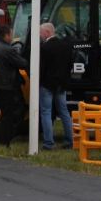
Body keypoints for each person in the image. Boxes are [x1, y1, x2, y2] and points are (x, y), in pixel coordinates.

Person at [0, 25, 28, 147]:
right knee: (7, 114)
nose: (12, 38)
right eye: (11, 35)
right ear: (7, 35)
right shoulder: (8, 50)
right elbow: (22, 63)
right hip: (6, 86)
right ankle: (5, 140)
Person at [39, 22, 74, 150]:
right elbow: (70, 64)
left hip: (47, 84)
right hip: (61, 84)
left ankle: (49, 142)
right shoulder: (65, 46)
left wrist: (39, 81)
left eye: (41, 33)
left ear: (47, 32)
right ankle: (70, 139)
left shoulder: (44, 48)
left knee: (46, 112)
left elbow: (41, 68)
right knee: (64, 112)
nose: (40, 36)